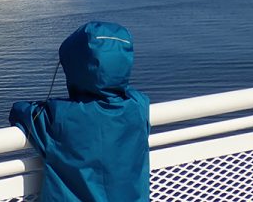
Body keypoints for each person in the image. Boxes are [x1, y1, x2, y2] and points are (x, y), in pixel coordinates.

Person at [9, 21, 150, 202]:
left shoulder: (57, 117)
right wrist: (113, 81)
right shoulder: (138, 107)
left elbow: (19, 111)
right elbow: (127, 91)